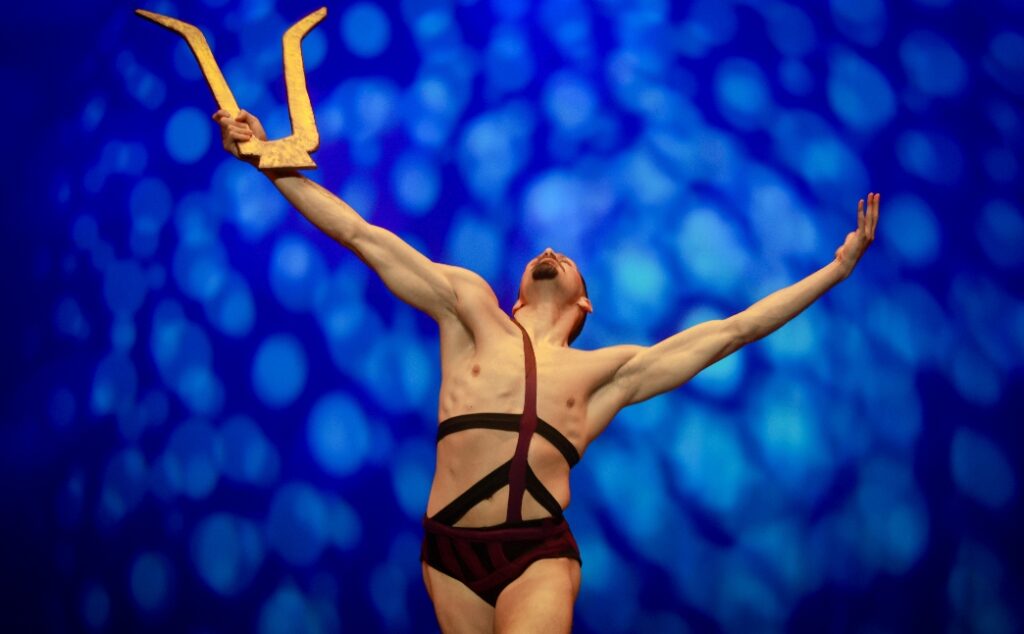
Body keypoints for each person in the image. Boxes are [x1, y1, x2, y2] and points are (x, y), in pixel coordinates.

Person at [213, 109, 880, 634]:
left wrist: (836, 269)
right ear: (518, 293)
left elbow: (734, 330)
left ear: (584, 303)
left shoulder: (606, 375)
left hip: (535, 552)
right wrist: (270, 161)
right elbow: (360, 234)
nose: (552, 248)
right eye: (543, 251)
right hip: (447, 553)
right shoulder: (469, 310)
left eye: (567, 257)